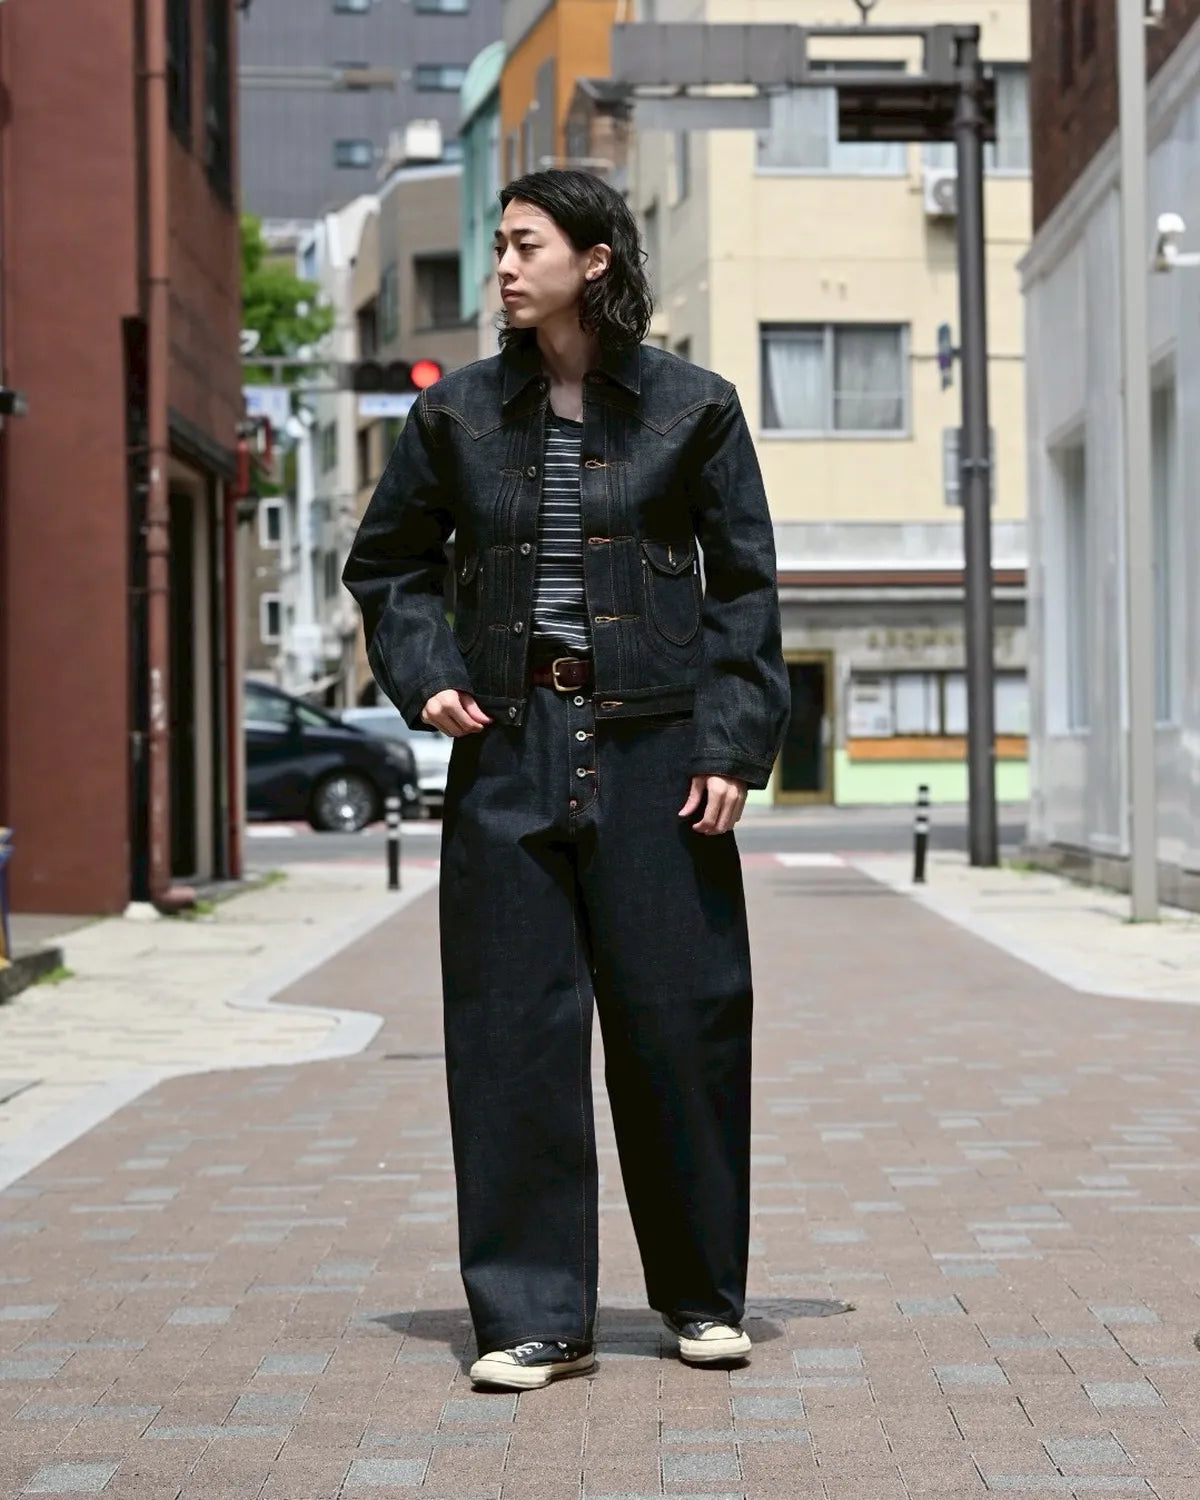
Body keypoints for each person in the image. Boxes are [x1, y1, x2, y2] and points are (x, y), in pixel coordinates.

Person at [342, 169, 789, 1393]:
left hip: (659, 750)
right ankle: (533, 1317)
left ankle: (701, 1299)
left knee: (682, 1026)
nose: (502, 266)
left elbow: (746, 586)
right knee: (510, 1034)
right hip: (508, 746)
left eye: (525, 244)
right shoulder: (456, 414)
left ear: (594, 259)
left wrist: (731, 743)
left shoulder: (695, 407)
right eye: (496, 245)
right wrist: (428, 672)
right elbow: (388, 565)